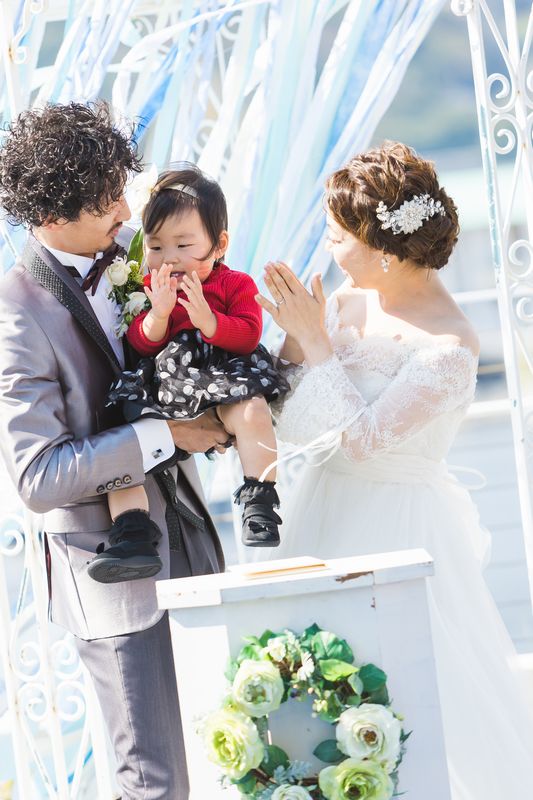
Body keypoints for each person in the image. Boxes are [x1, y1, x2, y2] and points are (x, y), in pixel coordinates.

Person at [254, 141, 533, 798]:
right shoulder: (345, 301)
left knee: (406, 694)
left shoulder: (449, 345)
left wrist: (315, 343)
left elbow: (363, 440)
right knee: (312, 696)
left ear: (384, 246)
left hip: (398, 530)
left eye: (337, 234)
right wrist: (292, 339)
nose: (328, 245)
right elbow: (287, 410)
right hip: (322, 512)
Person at [0, 102, 230, 800]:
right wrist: (168, 437)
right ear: (53, 212)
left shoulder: (142, 249)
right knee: (156, 782)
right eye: (107, 201)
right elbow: (38, 477)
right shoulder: (16, 311)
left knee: (232, 762)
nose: (127, 211)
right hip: (113, 579)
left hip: (193, 543)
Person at [90, 165, 287, 586]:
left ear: (219, 244)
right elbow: (140, 344)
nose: (170, 257)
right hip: (169, 380)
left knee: (253, 411)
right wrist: (158, 315)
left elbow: (249, 334)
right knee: (126, 435)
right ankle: (131, 529)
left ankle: (259, 500)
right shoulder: (150, 286)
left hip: (223, 373)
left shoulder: (234, 283)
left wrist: (209, 321)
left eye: (183, 244)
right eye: (156, 246)